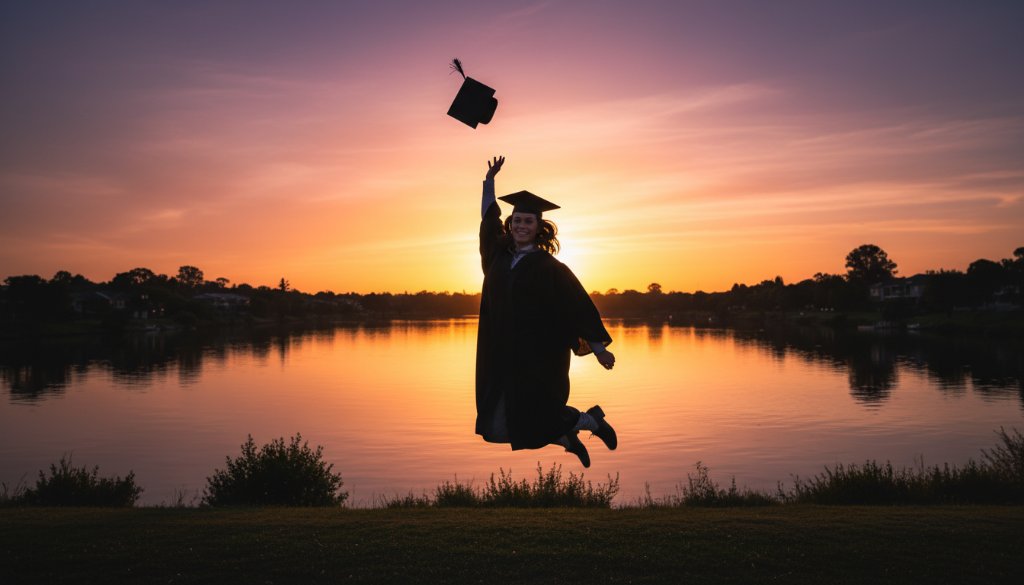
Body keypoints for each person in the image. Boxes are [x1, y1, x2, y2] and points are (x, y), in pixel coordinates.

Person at [475, 155, 617, 467]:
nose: (521, 225)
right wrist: (489, 183)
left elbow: (577, 305)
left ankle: (590, 422)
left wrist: (597, 349)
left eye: (528, 221)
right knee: (502, 426)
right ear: (510, 225)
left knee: (538, 411)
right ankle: (568, 436)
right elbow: (487, 220)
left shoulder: (550, 267)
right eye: (517, 221)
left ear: (539, 227)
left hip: (538, 355)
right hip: (500, 353)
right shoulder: (496, 259)